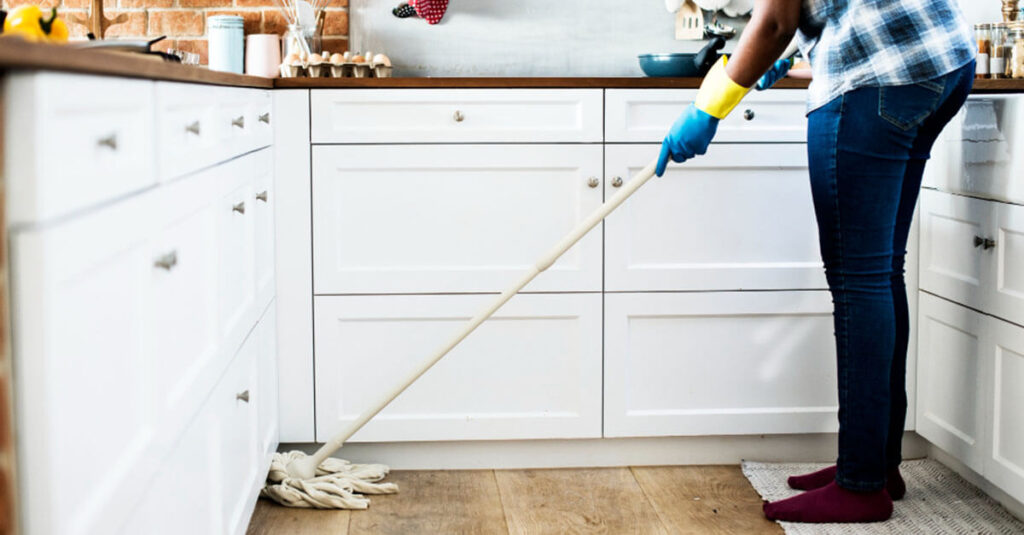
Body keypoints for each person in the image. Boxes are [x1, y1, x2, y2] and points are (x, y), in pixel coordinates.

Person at [656, 0, 977, 524]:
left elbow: (776, 20)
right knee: (880, 272)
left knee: (860, 280)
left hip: (878, 80)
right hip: (941, 65)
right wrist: (809, 56)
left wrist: (708, 107)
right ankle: (876, 463)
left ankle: (860, 486)